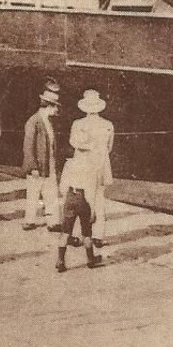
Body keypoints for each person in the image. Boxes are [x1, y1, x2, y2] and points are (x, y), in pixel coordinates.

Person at [55, 124, 107, 272]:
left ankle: (60, 261)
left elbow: (62, 186)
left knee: (66, 231)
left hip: (71, 196)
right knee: (86, 232)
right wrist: (92, 211)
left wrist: (66, 199)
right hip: (84, 199)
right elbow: (91, 191)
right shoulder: (92, 167)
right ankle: (90, 259)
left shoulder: (69, 163)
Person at [71, 89, 115, 223]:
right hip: (101, 165)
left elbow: (73, 143)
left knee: (83, 197)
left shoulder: (78, 124)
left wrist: (87, 147)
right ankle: (98, 235)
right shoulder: (108, 124)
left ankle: (84, 234)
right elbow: (109, 147)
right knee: (100, 197)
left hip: (84, 165)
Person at [21, 87, 61, 229]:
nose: (57, 109)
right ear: (48, 106)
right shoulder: (34, 121)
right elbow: (28, 147)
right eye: (55, 106)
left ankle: (53, 222)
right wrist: (32, 167)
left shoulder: (48, 121)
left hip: (48, 164)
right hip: (38, 166)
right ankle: (29, 221)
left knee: (51, 193)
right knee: (33, 193)